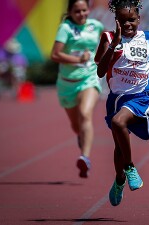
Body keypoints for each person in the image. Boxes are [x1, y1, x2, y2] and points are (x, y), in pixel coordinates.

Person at [94, 0, 149, 206]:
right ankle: (119, 179)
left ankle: (129, 168)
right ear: (116, 21)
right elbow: (100, 70)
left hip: (141, 96)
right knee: (119, 147)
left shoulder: (147, 36)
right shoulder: (109, 37)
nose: (128, 24)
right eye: (123, 21)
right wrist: (113, 45)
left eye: (132, 20)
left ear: (139, 19)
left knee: (119, 123)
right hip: (117, 99)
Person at [50, 0, 104, 178]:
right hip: (67, 84)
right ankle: (81, 137)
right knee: (76, 125)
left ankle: (85, 158)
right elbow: (55, 54)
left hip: (89, 78)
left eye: (84, 10)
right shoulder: (65, 28)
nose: (82, 14)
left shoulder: (96, 26)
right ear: (70, 12)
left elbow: (107, 44)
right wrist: (78, 59)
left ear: (89, 9)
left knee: (85, 114)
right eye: (77, 11)